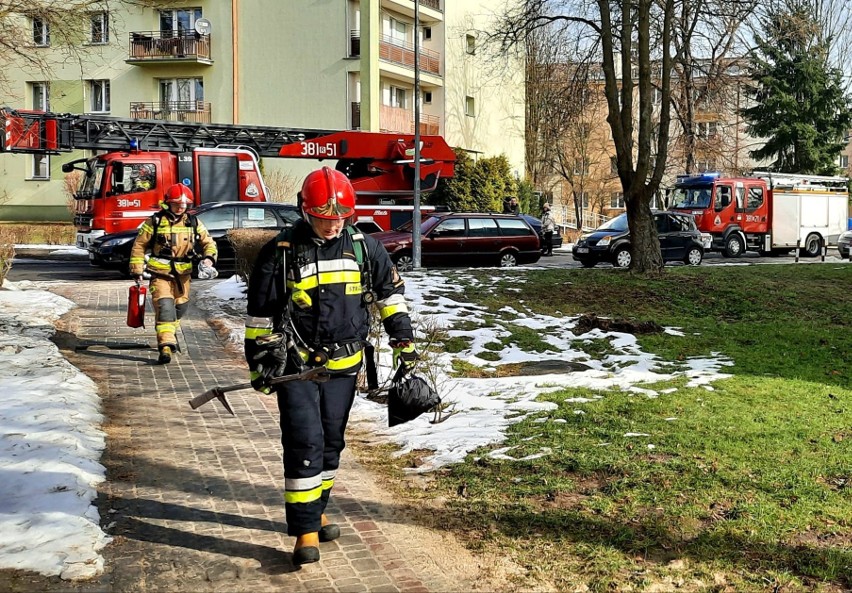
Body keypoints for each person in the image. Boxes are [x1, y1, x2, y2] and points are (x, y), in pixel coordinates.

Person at [244, 166, 417, 566]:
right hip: (296, 367)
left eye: (339, 217)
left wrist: (403, 339)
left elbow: (390, 297)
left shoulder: (364, 247)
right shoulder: (281, 251)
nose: (332, 224)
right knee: (305, 442)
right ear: (305, 211)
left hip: (345, 366)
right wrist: (258, 366)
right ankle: (305, 531)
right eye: (324, 217)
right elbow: (259, 316)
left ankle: (318, 509)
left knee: (332, 443)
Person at [129, 183, 217, 364]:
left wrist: (209, 258)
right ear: (168, 203)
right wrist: (137, 270)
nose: (181, 208)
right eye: (177, 204)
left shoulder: (193, 222)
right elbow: (139, 246)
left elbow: (209, 242)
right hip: (159, 274)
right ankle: (166, 346)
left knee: (180, 308)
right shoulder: (154, 222)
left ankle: (169, 333)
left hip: (183, 275)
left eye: (184, 205)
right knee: (165, 308)